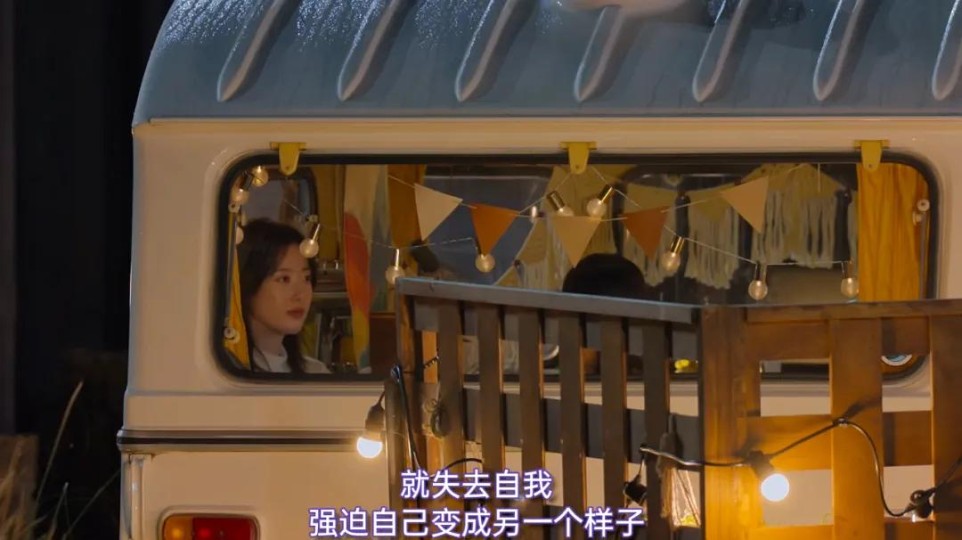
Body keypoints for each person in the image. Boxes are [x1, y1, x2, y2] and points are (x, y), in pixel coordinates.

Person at [237, 218, 331, 374]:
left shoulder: (315, 373)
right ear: (248, 282)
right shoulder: (225, 372)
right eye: (284, 279)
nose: (300, 294)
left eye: (306, 278)